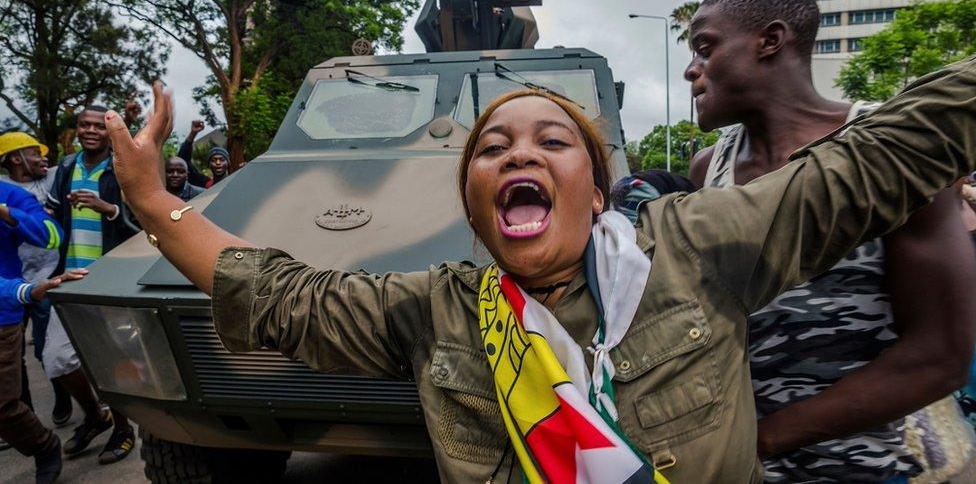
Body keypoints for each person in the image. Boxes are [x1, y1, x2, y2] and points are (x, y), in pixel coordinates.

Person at [110, 48, 976, 483]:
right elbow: (280, 294)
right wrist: (152, 203)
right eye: (492, 147)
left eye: (552, 139)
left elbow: (877, 158)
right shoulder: (442, 308)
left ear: (597, 192)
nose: (517, 151)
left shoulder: (694, 244)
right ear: (479, 202)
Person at [686, 0, 976, 482]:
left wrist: (764, 438)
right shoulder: (708, 169)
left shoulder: (892, 155)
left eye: (705, 48)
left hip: (858, 468)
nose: (693, 70)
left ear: (770, 41)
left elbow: (939, 354)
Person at [46, 106, 139, 464]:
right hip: (68, 277)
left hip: (107, 278)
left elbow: (140, 222)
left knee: (111, 358)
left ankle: (123, 429)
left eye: (97, 126)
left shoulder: (121, 166)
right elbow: (53, 219)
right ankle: (94, 416)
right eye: (83, 125)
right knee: (56, 359)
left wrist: (108, 208)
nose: (89, 131)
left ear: (108, 131)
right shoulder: (67, 167)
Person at [0, 178, 85, 484]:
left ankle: (44, 445)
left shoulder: (12, 196)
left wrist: (9, 214)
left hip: (10, 305)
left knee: (5, 405)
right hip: (21, 291)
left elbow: (53, 236)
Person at [0, 132, 74, 430]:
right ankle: (24, 420)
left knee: (46, 349)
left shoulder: (33, 189)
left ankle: (63, 397)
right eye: (35, 153)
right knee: (13, 360)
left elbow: (53, 236)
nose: (43, 157)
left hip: (46, 278)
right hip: (11, 288)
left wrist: (9, 215)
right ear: (16, 158)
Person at [178, 120, 229, 188]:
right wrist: (193, 133)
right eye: (213, 160)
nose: (218, 163)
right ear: (209, 164)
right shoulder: (206, 184)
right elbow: (182, 161)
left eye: (222, 159)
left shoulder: (237, 179)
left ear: (228, 162)